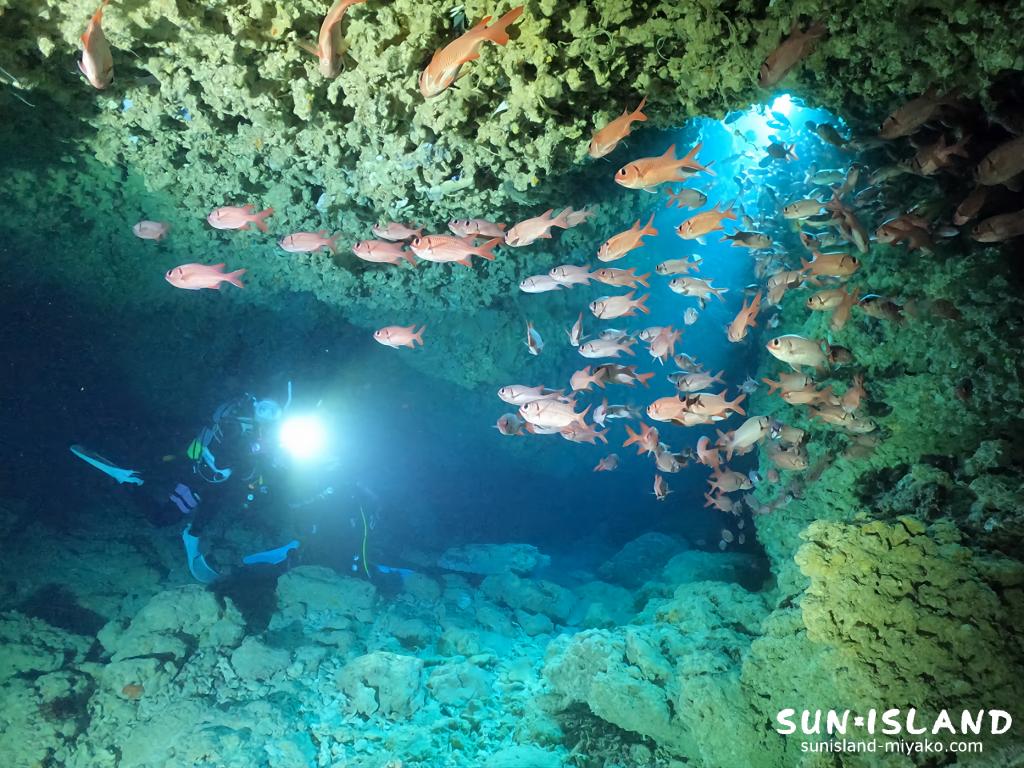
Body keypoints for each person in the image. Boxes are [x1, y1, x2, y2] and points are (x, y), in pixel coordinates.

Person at [71, 384, 376, 583]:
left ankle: (193, 539)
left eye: (274, 411)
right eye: (263, 408)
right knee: (160, 519)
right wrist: (260, 452)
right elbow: (229, 456)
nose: (266, 415)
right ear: (255, 406)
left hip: (221, 488)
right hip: (198, 475)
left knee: (202, 521)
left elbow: (276, 468)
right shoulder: (234, 424)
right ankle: (129, 480)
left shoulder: (273, 435)